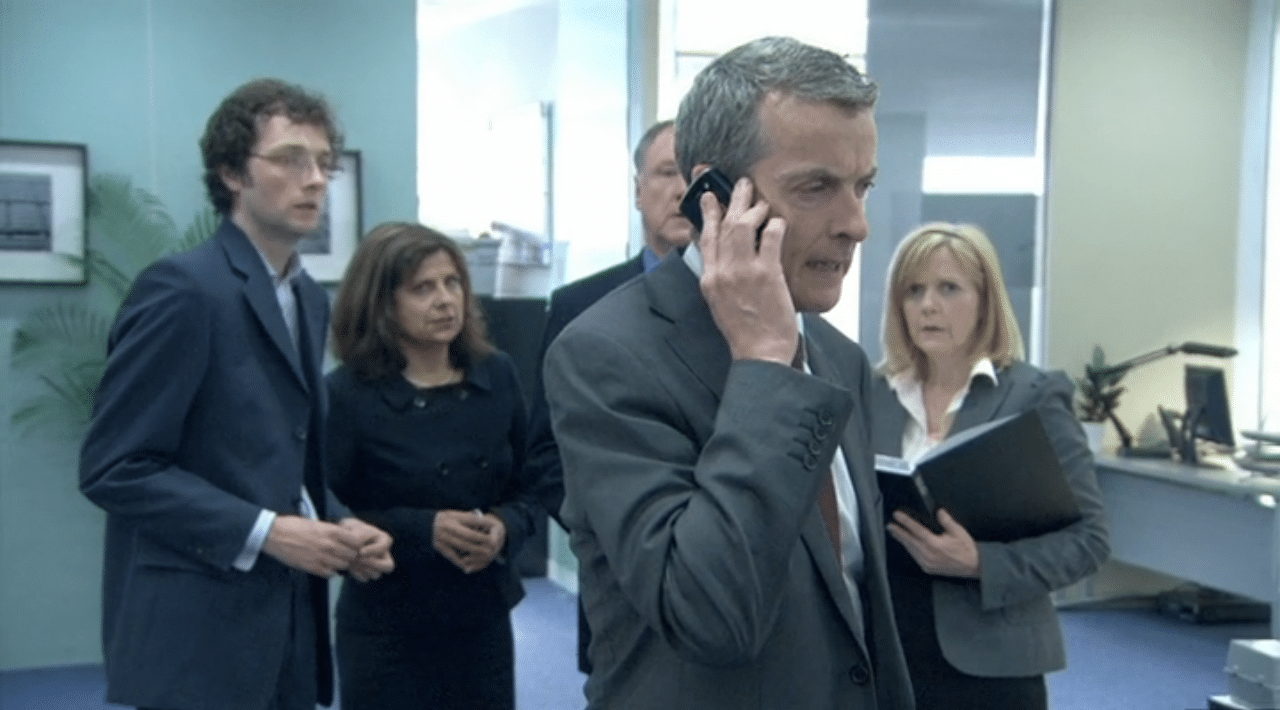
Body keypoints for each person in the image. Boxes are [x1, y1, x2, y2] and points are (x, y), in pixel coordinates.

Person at [542, 36, 914, 709]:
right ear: (712, 197)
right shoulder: (605, 355)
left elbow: (850, 593)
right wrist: (764, 363)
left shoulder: (840, 359)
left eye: (862, 186)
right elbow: (709, 614)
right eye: (817, 187)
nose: (856, 224)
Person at [79, 78, 394, 710]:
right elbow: (114, 467)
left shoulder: (307, 297)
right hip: (197, 633)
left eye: (323, 163)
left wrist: (337, 521)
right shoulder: (183, 290)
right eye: (290, 159)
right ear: (231, 174)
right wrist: (266, 532)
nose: (315, 180)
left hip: (286, 627)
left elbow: (280, 454)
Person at [870, 222, 1110, 710]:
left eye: (948, 288)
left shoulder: (1032, 397)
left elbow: (1089, 541)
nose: (928, 305)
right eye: (913, 291)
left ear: (985, 301)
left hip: (993, 662)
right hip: (884, 652)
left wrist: (982, 563)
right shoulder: (873, 394)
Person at [325, 222, 541, 710]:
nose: (445, 300)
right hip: (387, 627)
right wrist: (425, 530)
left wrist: (505, 527)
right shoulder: (346, 394)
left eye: (452, 282)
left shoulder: (497, 375)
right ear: (382, 305)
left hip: (480, 619)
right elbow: (326, 507)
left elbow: (531, 486)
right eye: (422, 288)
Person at [525, 119, 693, 673]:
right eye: (666, 173)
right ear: (638, 190)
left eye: (695, 175)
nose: (681, 190)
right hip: (616, 582)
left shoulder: (752, 306)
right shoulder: (579, 306)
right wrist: (606, 529)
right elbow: (545, 452)